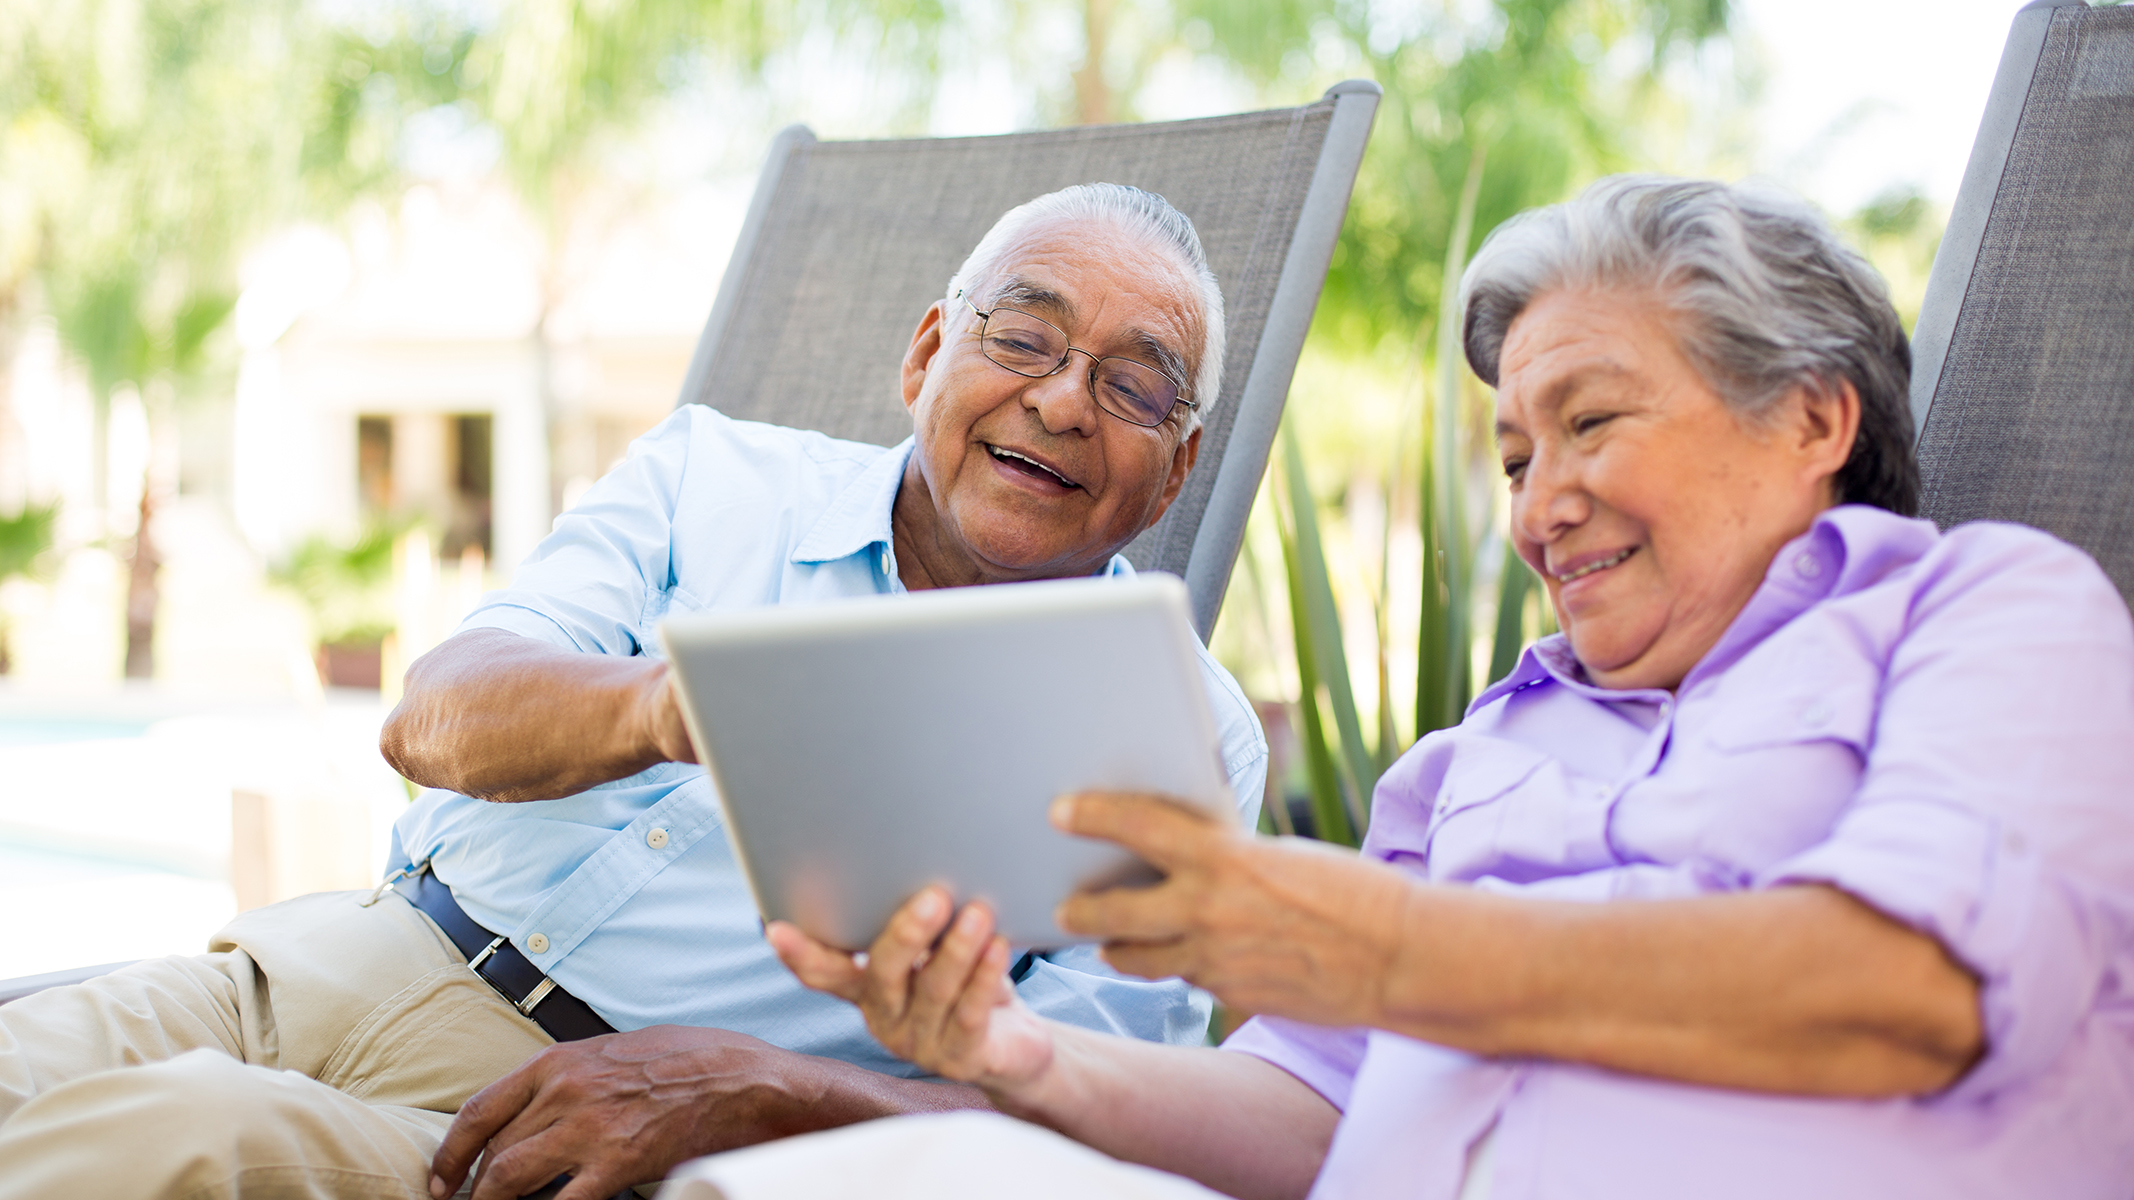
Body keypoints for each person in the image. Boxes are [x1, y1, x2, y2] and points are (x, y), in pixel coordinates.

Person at [757, 175, 2134, 1200]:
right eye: (1517, 459)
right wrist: (1014, 1053)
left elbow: (1909, 989)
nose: (1541, 508)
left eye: (1590, 423)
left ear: (1810, 418)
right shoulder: (1472, 759)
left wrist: (1395, 951)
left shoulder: (1985, 616)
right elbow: (1306, 1111)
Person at [0, 182, 1268, 1200]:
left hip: (574, 1127)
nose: (1059, 401)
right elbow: (430, 719)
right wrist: (674, 707)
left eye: (1134, 385)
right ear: (929, 352)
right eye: (1024, 337)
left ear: (1175, 470)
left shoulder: (1181, 735)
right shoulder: (709, 476)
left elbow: (1110, 1120)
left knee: (164, 1141)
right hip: (320, 961)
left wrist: (766, 1088)